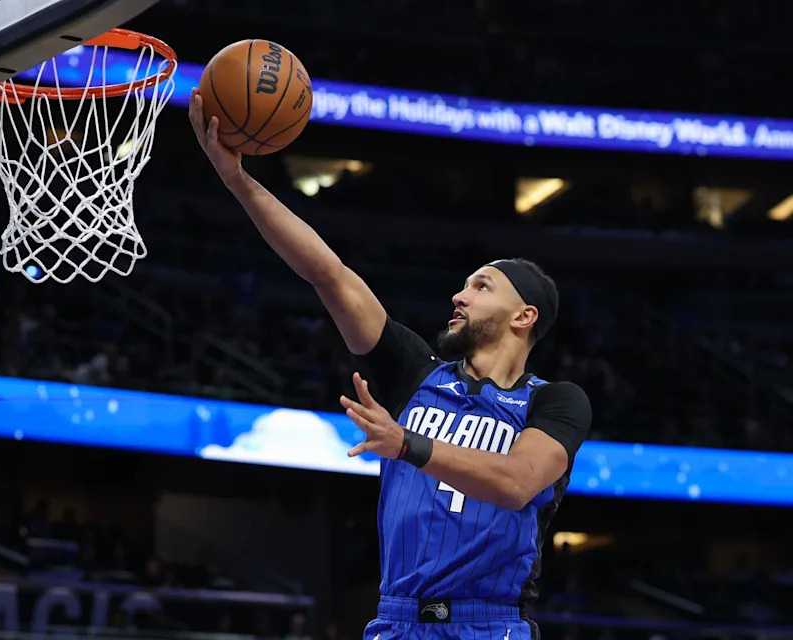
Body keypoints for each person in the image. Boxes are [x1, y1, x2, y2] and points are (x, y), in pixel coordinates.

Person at [189, 89, 592, 640]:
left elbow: (518, 482)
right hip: (395, 620)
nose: (459, 295)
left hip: (489, 625)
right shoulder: (414, 372)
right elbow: (328, 273)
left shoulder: (554, 400)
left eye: (481, 285)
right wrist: (238, 181)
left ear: (524, 315)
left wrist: (407, 444)